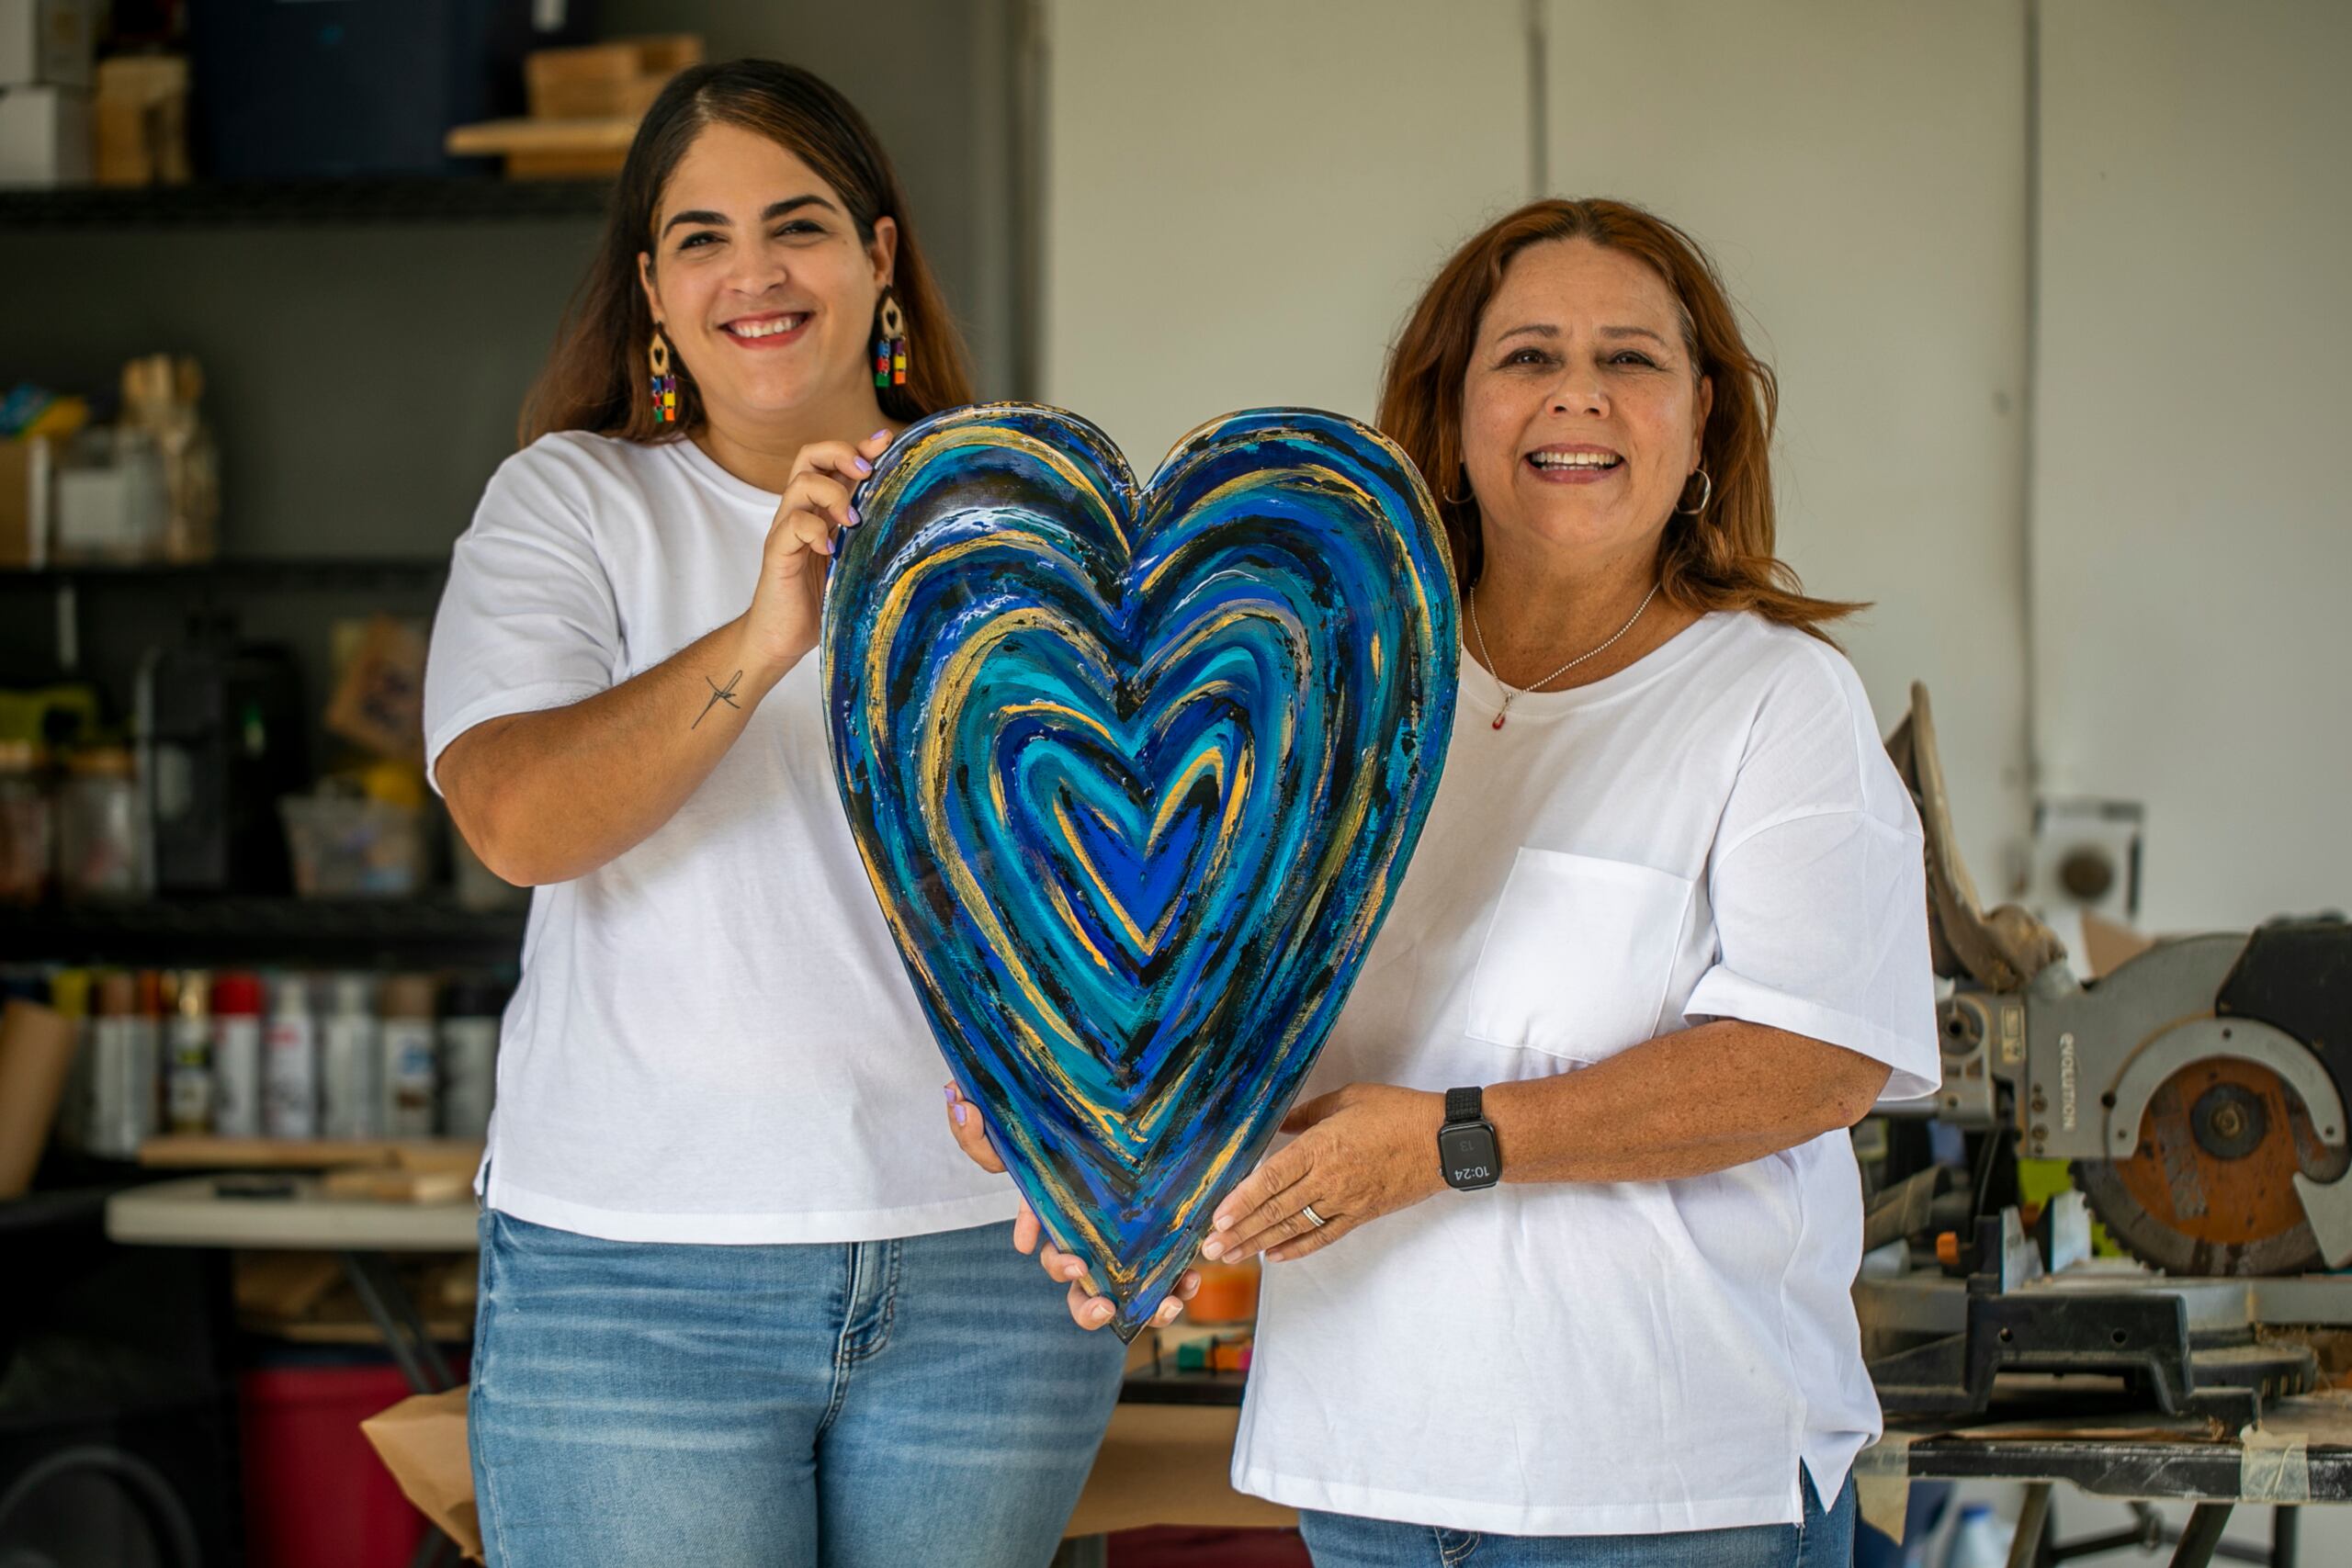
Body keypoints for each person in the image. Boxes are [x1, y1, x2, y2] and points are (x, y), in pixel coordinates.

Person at [951, 197, 1938, 1567]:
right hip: (1367, 1474)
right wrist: (1092, 1121)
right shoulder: (1323, 693)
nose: (1578, 394)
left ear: (1701, 418)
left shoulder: (1773, 699)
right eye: (1527, 356)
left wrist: (1448, 1143)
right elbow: (1225, 1021)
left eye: (1632, 359)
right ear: (1455, 417)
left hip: (1666, 1492)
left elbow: (1814, 1067)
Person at [426, 60, 1124, 1568]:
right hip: (634, 1281)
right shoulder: (569, 504)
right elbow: (518, 822)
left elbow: (1133, 885)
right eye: (701, 239)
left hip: (986, 1274)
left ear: (878, 257)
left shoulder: (1025, 513)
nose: (754, 272)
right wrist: (766, 634)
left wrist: (1131, 1154)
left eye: (797, 224)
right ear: (653, 292)